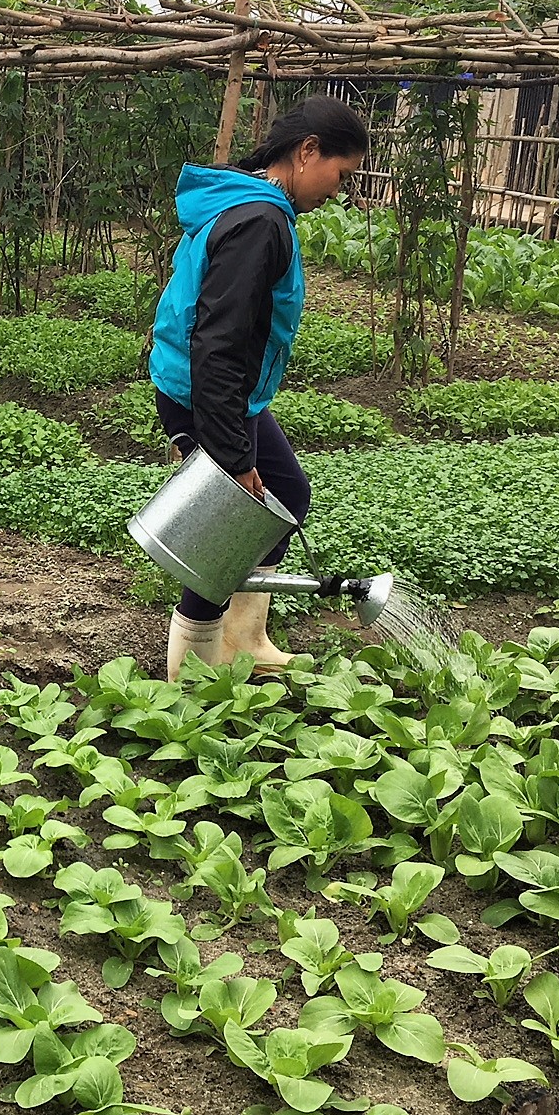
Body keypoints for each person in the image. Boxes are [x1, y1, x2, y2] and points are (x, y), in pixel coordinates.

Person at [149, 95, 370, 679]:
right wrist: (232, 452)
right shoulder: (259, 222)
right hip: (208, 391)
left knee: (287, 495)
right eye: (340, 175)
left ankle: (243, 640)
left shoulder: (254, 206)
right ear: (307, 152)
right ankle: (190, 681)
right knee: (225, 532)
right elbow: (218, 345)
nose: (337, 191)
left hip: (222, 390)